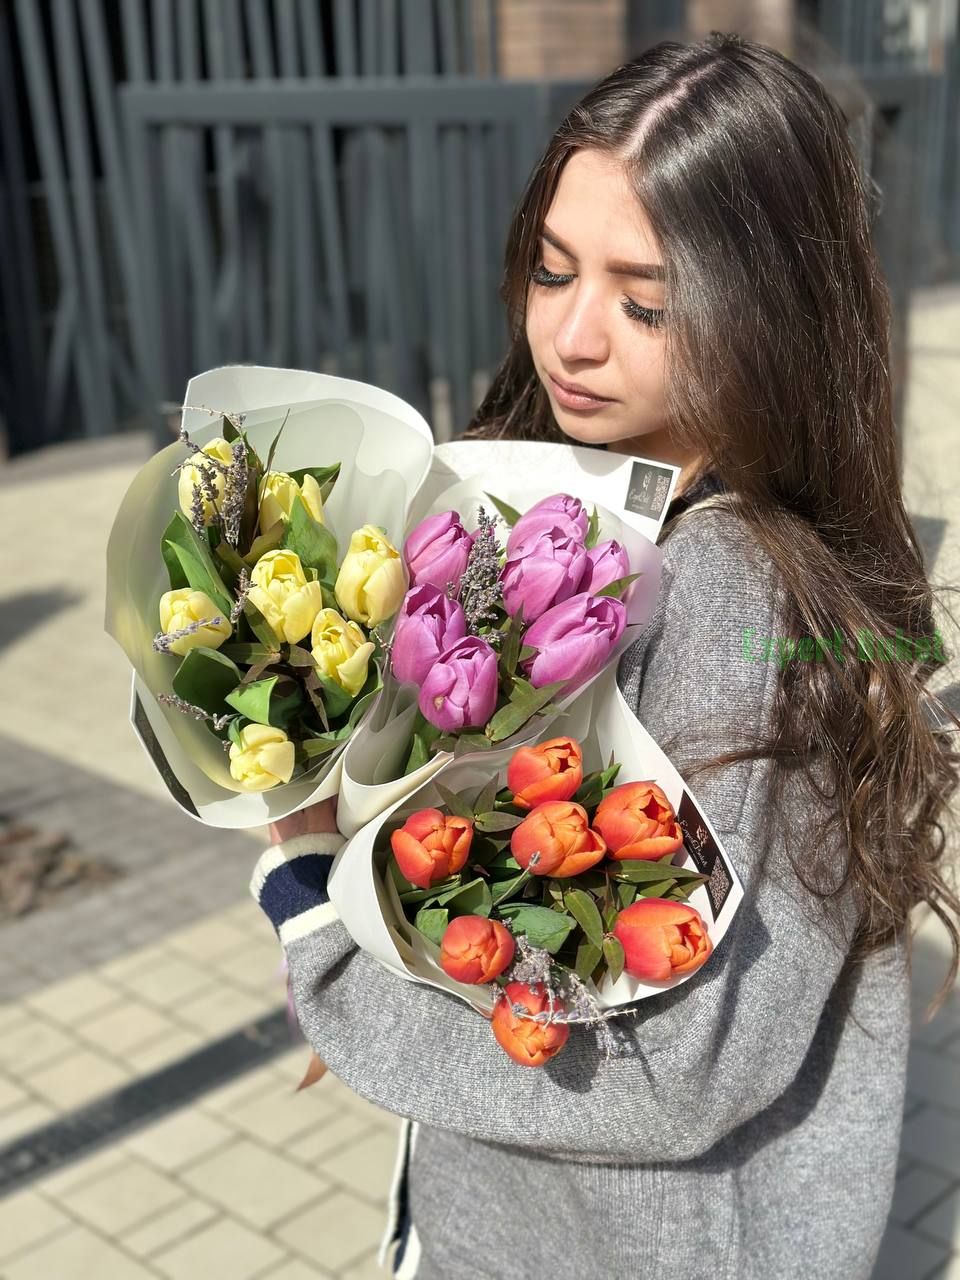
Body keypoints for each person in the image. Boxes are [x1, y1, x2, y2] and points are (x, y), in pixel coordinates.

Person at [251, 32, 960, 1279]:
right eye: (551, 268)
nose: (572, 337)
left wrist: (317, 917)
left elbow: (673, 1071)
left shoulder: (740, 598)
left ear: (771, 310)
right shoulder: (563, 494)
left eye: (647, 302)